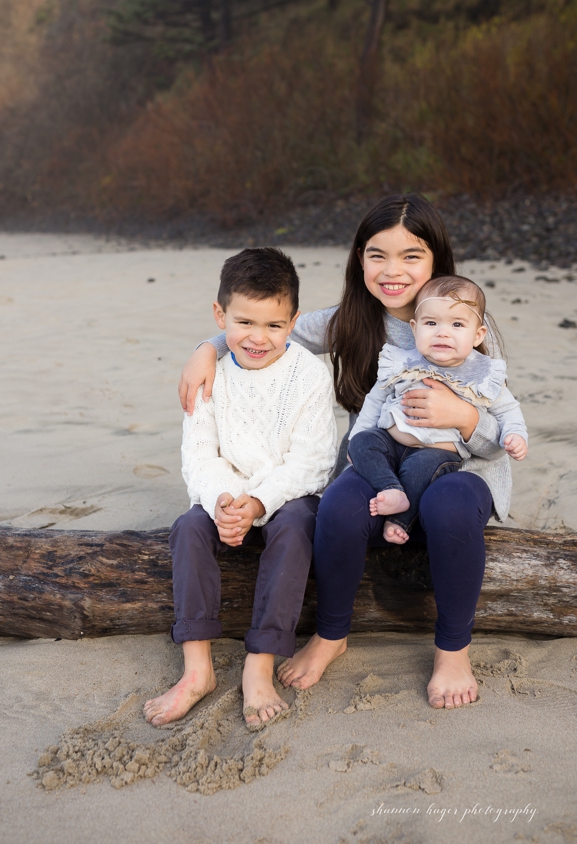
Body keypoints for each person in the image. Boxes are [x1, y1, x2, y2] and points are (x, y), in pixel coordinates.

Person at [178, 194, 512, 709]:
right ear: (360, 259)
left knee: (448, 505)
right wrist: (206, 348)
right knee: (335, 503)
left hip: (458, 470)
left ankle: (452, 651)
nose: (392, 271)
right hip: (379, 466)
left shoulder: (461, 319)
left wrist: (464, 417)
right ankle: (331, 634)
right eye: (377, 254)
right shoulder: (349, 321)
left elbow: (500, 436)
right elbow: (263, 324)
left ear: (437, 261)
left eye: (412, 256)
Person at [146, 247, 339, 730]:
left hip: (286, 497)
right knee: (187, 528)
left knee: (296, 527)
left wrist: (258, 503)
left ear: (293, 321)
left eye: (274, 325)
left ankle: (260, 664)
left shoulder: (310, 375)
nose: (258, 338)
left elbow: (313, 461)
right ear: (219, 315)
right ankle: (197, 671)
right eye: (244, 322)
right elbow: (199, 455)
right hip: (226, 499)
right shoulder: (209, 372)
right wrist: (224, 504)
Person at [348, 275, 529, 545]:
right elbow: (374, 402)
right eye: (431, 323)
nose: (442, 332)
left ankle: (399, 519)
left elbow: (509, 411)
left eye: (457, 324)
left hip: (437, 452)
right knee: (361, 442)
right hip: (391, 441)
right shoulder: (401, 363)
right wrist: (356, 439)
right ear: (415, 327)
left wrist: (514, 435)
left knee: (421, 468)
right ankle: (391, 488)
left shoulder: (482, 374)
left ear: (478, 334)